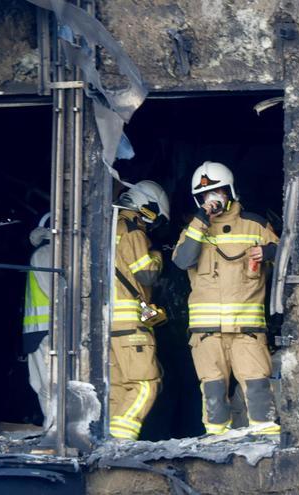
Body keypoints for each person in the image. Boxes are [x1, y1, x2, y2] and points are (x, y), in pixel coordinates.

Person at [172, 161, 281, 437]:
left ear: (230, 191)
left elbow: (289, 254)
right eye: (206, 195)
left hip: (247, 331)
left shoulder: (255, 225)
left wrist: (268, 253)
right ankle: (216, 442)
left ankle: (264, 440)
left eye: (218, 192)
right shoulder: (194, 231)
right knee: (213, 390)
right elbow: (183, 260)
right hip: (207, 334)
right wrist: (201, 218)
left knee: (257, 386)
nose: (213, 199)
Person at [110, 180, 169, 441]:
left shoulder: (108, 229)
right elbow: (146, 274)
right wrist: (158, 255)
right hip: (130, 326)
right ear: (146, 207)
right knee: (146, 383)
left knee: (118, 389)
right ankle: (121, 441)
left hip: (108, 326)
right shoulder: (133, 232)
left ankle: (109, 439)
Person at [23, 213, 55, 434]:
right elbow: (56, 291)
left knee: (45, 386)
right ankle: (54, 431)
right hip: (48, 331)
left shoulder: (42, 253)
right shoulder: (47, 254)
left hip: (39, 332)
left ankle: (53, 430)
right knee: (48, 386)